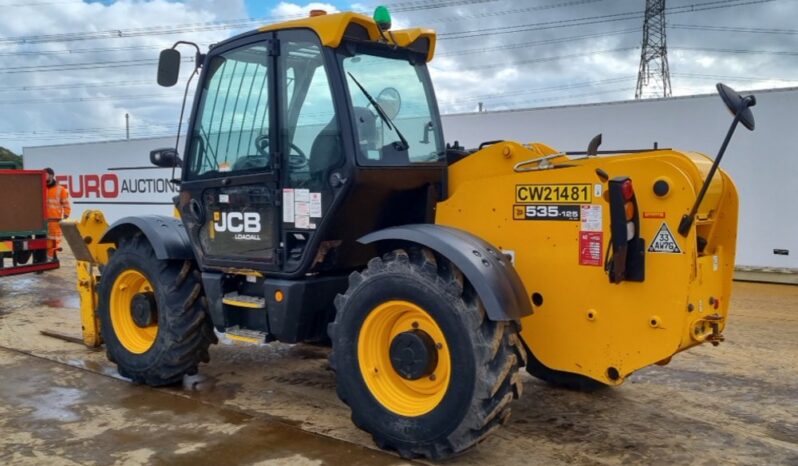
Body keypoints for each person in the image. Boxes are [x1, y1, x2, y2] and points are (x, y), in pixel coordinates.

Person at [44, 167, 71, 260]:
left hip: (54, 221)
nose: (43, 176)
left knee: (53, 242)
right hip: (42, 221)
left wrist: (66, 216)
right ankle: (49, 260)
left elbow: (66, 204)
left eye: (45, 174)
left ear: (51, 176)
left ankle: (50, 260)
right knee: (44, 242)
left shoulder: (61, 189)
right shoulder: (41, 188)